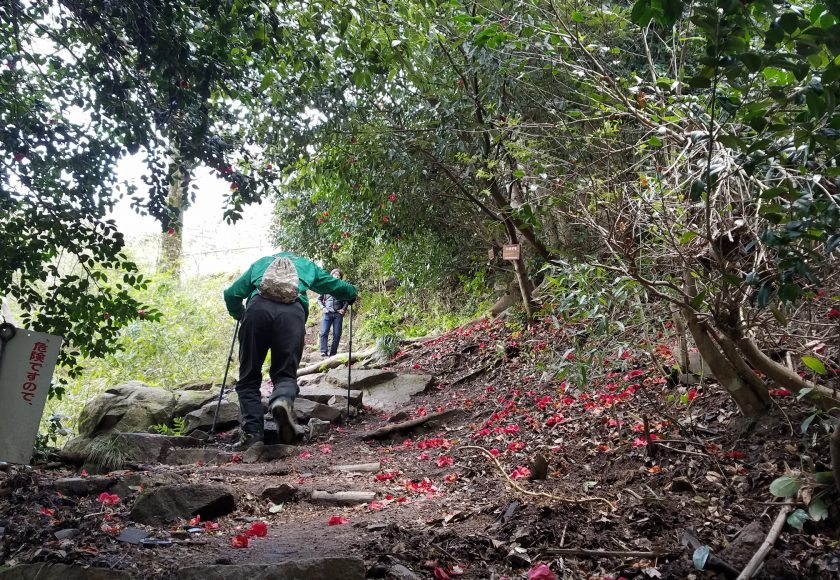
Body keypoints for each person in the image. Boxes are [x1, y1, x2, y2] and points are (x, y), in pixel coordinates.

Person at [223, 252, 357, 450]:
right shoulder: (305, 265)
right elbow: (335, 286)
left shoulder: (261, 263)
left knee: (249, 377)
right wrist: (351, 293)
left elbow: (231, 294)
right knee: (285, 374)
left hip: (257, 311)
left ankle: (252, 435)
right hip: (292, 315)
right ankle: (281, 401)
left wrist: (240, 314)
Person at [317, 268, 349, 357]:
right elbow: (319, 299)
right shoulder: (326, 287)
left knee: (337, 334)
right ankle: (323, 351)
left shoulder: (342, 288)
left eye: (338, 275)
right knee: (323, 332)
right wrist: (323, 308)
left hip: (338, 314)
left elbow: (347, 300)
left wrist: (344, 309)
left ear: (340, 277)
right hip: (327, 313)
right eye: (335, 274)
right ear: (332, 275)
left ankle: (333, 354)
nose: (336, 276)